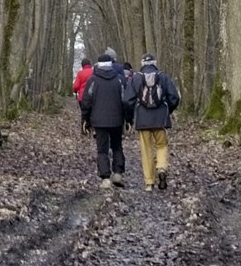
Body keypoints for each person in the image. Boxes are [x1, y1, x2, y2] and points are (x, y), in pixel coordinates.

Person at [78, 46, 132, 187]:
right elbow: (126, 101)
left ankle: (105, 178)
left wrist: (86, 120)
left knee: (102, 149)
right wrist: (128, 119)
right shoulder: (120, 80)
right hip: (116, 120)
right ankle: (118, 173)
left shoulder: (93, 80)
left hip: (99, 120)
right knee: (117, 146)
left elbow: (86, 102)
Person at [128, 52, 182, 192]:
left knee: (146, 150)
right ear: (155, 62)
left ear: (142, 63)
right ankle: (162, 168)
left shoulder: (136, 78)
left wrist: (131, 115)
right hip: (160, 119)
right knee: (162, 145)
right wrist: (167, 111)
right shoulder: (163, 76)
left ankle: (149, 183)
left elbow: (127, 100)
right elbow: (174, 97)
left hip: (143, 119)